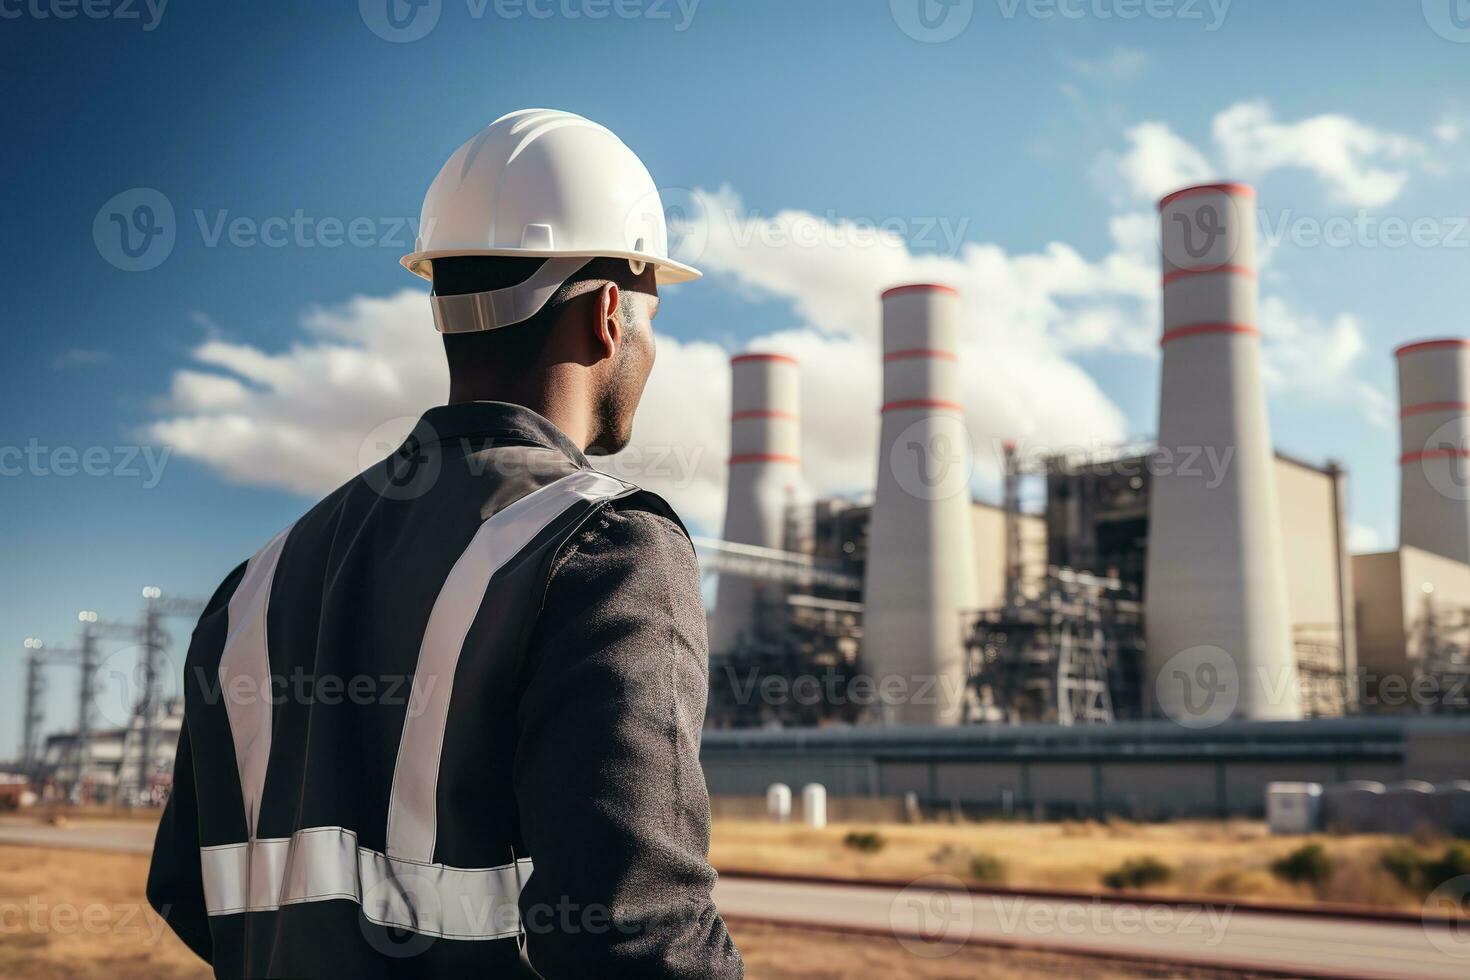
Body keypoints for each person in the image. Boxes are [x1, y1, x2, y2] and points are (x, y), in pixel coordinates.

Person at [147, 108, 744, 979]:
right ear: (612, 314)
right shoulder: (604, 547)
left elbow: (185, 890)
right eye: (654, 312)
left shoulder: (254, 584)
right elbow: (637, 932)